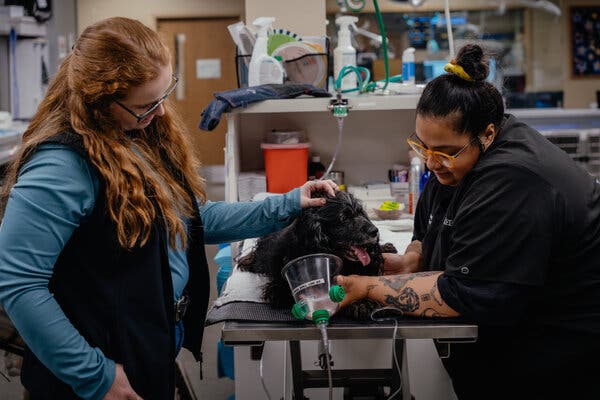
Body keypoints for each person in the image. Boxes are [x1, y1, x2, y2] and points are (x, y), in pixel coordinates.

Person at [0, 17, 337, 400]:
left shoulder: (135, 137)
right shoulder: (62, 165)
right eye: (146, 105)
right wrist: (95, 375)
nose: (159, 114)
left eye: (164, 95)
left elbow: (192, 218)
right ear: (98, 101)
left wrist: (288, 204)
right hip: (97, 372)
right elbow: (19, 283)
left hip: (145, 347)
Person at [336, 43, 600, 400]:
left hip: (556, 353)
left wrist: (367, 288)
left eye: (444, 152)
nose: (431, 163)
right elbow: (431, 222)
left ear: (488, 134)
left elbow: (470, 294)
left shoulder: (512, 181)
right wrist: (414, 258)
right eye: (422, 146)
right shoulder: (459, 163)